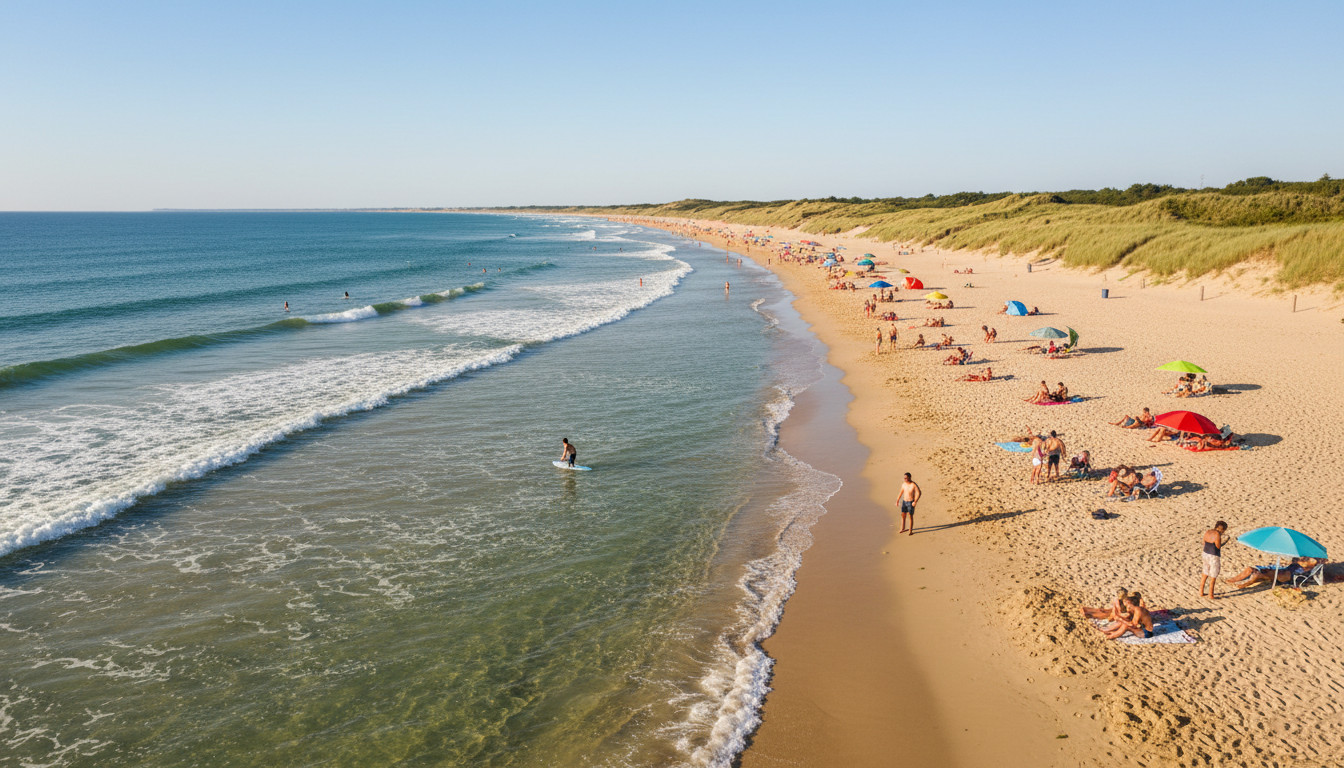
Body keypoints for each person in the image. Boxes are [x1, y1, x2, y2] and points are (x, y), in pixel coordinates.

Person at [1223, 557, 1320, 589]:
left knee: (1257, 574)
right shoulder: (1298, 564)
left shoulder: (1305, 568)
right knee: (1250, 569)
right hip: (1279, 571)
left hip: (1283, 576)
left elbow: (1313, 562)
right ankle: (1233, 580)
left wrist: (1299, 562)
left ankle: (1245, 584)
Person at [1201, 521, 1228, 599]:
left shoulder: (1208, 532)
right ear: (1223, 529)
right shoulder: (1217, 535)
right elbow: (1218, 547)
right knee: (1213, 575)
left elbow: (1204, 543)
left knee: (1205, 573)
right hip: (1213, 556)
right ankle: (1211, 595)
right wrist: (1225, 542)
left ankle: (1201, 592)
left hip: (1205, 553)